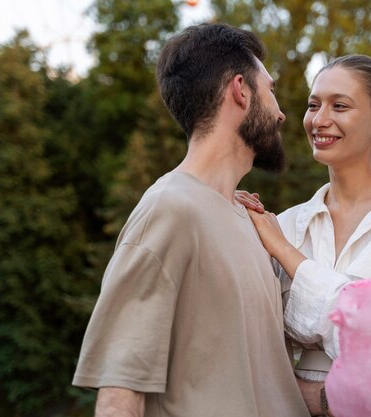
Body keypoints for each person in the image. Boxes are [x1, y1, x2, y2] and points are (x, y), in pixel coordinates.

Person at [72, 23, 310, 417]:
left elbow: (262, 378)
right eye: (271, 90)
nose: (282, 113)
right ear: (240, 90)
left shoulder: (252, 222)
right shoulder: (169, 210)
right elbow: (119, 397)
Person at [237, 54, 371, 417]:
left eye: (340, 106)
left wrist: (284, 252)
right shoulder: (288, 224)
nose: (320, 120)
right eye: (313, 105)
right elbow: (256, 343)